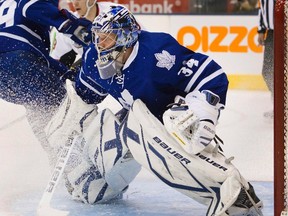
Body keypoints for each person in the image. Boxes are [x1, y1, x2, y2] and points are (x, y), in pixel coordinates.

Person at [45, 5, 264, 215]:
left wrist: (205, 116)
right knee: (105, 166)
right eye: (98, 37)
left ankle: (231, 192)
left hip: (173, 127)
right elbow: (84, 98)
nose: (100, 43)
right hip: (139, 126)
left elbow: (211, 76)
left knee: (170, 120)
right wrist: (70, 129)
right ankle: (91, 182)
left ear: (125, 36)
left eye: (107, 36)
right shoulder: (94, 57)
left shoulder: (158, 54)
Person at [0, 0, 92, 163]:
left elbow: (38, 60)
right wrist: (72, 25)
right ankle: (76, 163)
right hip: (18, 64)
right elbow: (31, 6)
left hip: (7, 81)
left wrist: (66, 73)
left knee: (37, 106)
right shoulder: (25, 3)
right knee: (64, 104)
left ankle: (55, 156)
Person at [50, 0, 122, 68]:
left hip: (120, 61)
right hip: (94, 65)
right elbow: (55, 58)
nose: (75, 3)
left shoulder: (116, 12)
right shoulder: (69, 25)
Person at [257, 0, 274, 120]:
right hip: (272, 34)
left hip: (285, 30)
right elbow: (262, 8)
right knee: (267, 71)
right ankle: (279, 105)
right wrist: (261, 30)